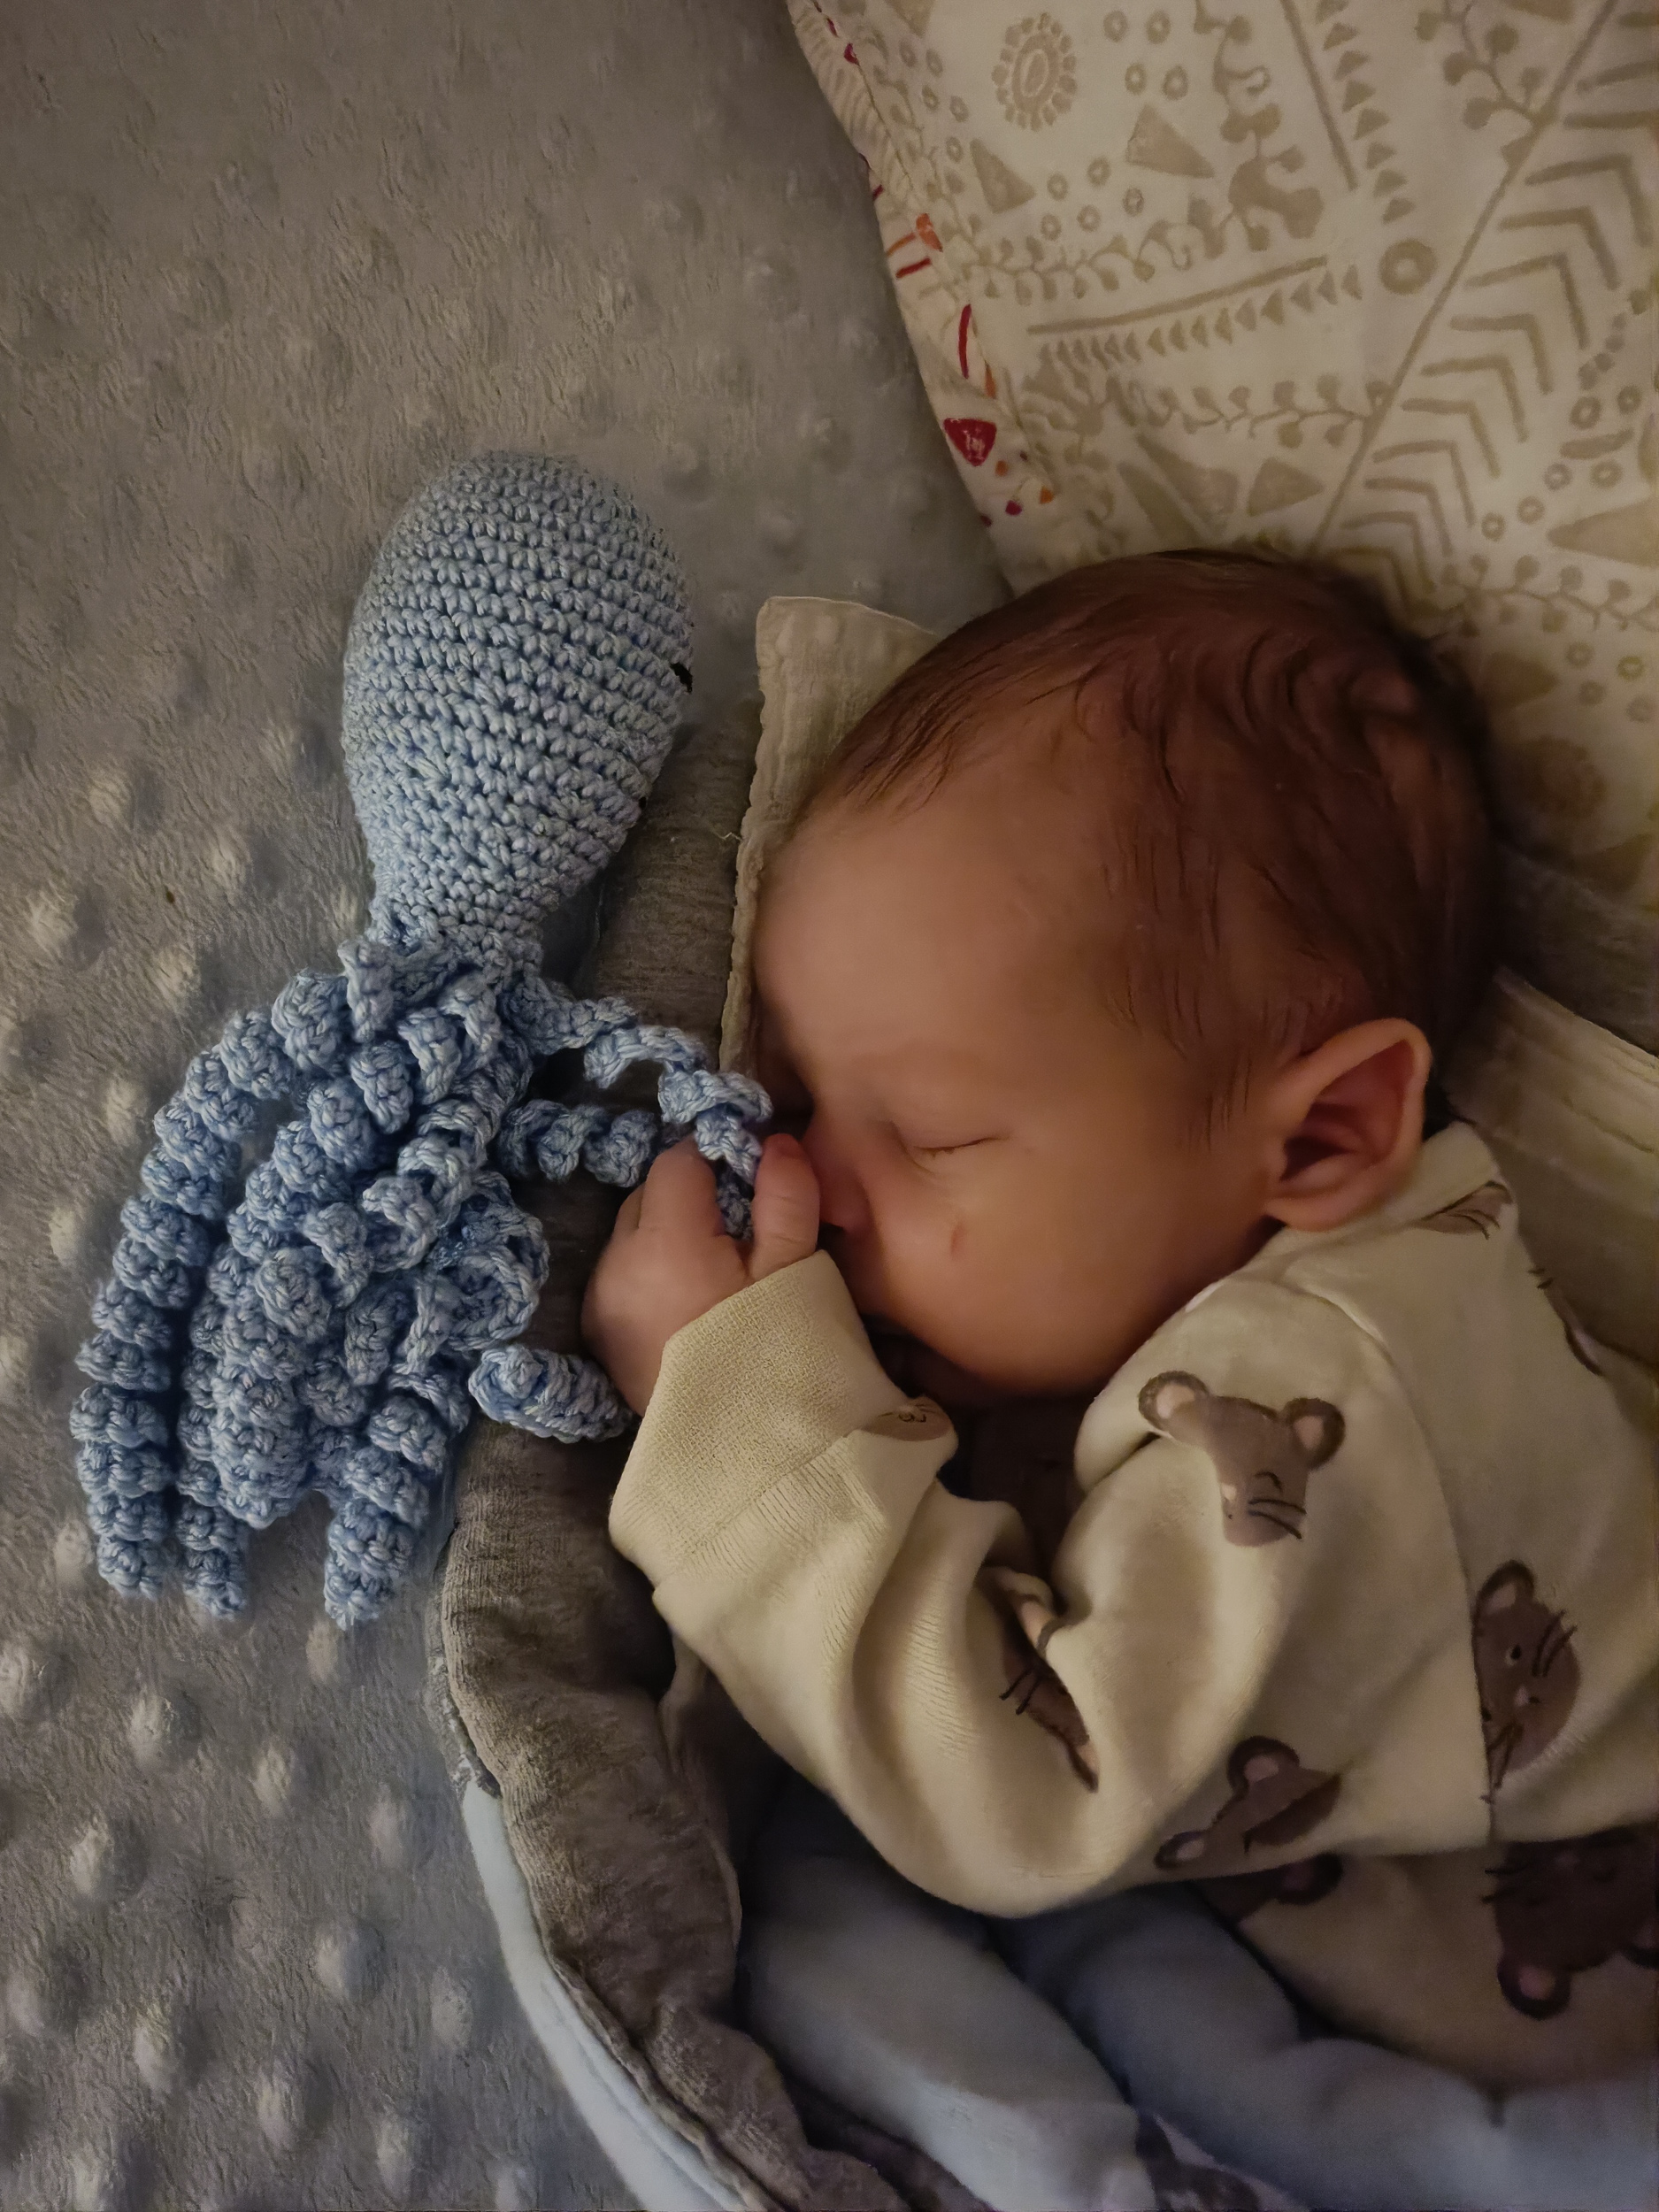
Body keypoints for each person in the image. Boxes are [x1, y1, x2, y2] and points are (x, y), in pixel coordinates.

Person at [580, 551, 1657, 2105]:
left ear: (1324, 1137)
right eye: (802, 1095)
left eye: (933, 1133)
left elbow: (1021, 1795)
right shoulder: (1232, 1283)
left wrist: (732, 1407)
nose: (810, 1172)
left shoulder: (1340, 1395)